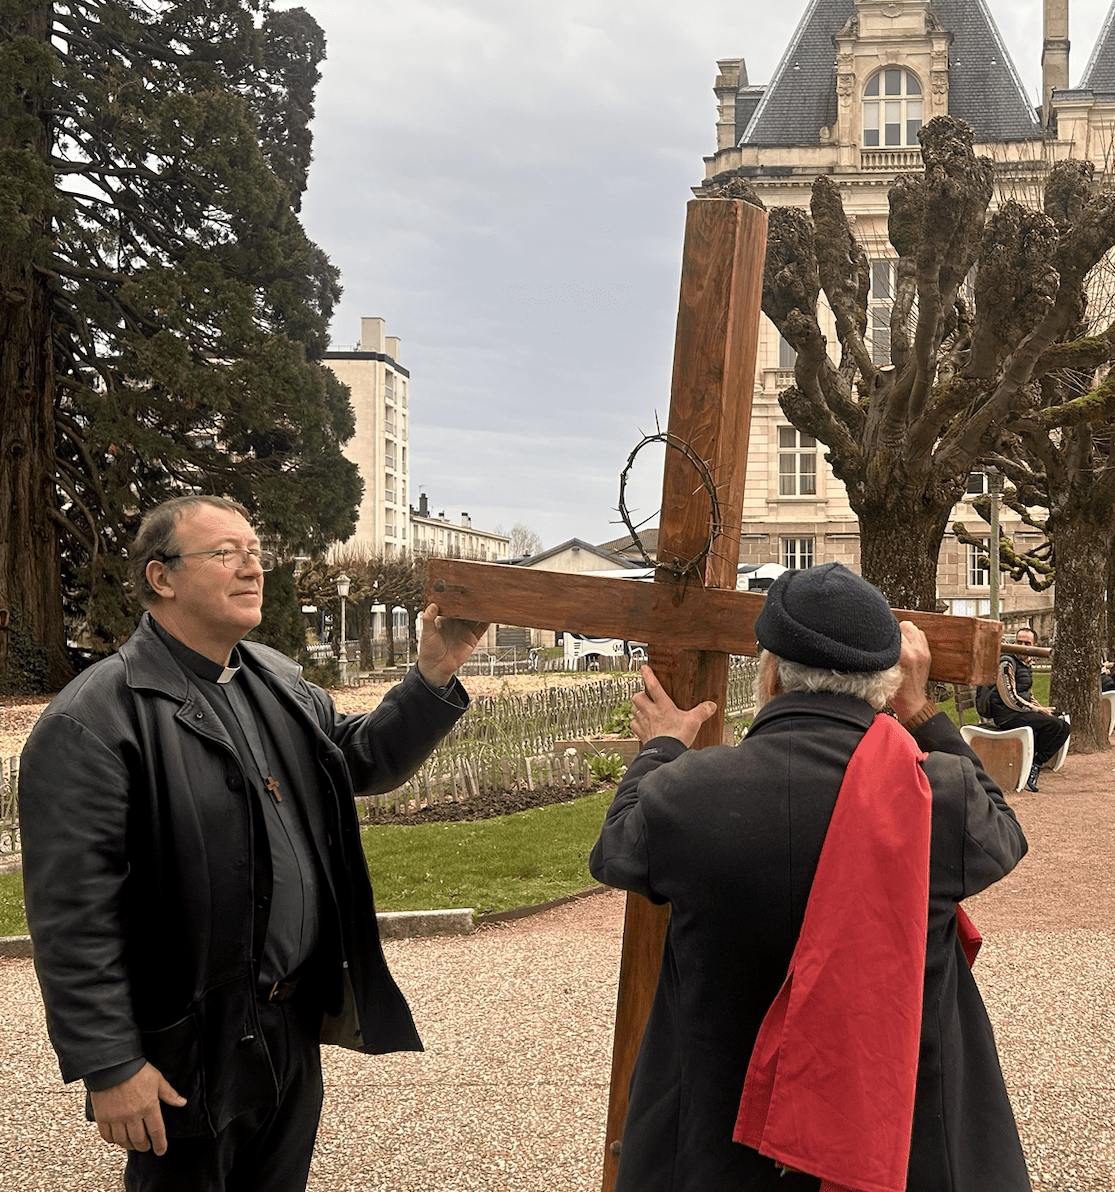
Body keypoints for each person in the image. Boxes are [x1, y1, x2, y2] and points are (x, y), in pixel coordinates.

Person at [20, 495, 487, 1192]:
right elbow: (72, 917)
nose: (252, 568)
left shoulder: (275, 680)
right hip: (187, 1044)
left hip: (287, 1027)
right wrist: (110, 1064)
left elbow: (358, 759)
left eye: (256, 552)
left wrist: (433, 677)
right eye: (225, 554)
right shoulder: (94, 720)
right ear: (161, 577)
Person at [590, 562, 1030, 1192]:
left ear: (770, 672)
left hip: (715, 1146)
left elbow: (615, 851)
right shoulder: (937, 794)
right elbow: (1004, 835)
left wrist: (662, 748)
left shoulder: (690, 793)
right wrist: (921, 710)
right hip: (904, 1145)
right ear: (885, 683)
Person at [986, 625, 1071, 793]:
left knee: (1063, 726)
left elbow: (1028, 695)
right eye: (1019, 642)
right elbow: (1009, 698)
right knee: (1053, 726)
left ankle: (1034, 762)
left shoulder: (1026, 663)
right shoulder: (1006, 662)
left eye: (1027, 643)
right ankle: (1033, 765)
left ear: (1034, 645)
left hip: (1020, 713)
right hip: (1007, 715)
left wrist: (1042, 708)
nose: (1022, 647)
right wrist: (1036, 711)